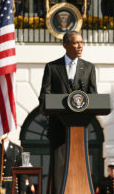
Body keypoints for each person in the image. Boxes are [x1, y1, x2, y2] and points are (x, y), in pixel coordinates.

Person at [38, 30, 98, 194]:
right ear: (65, 45)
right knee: (59, 169)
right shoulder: (52, 67)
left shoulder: (89, 68)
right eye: (76, 42)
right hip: (58, 129)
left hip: (80, 130)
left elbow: (94, 97)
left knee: (79, 166)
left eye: (81, 42)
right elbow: (44, 96)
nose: (80, 46)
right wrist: (52, 106)